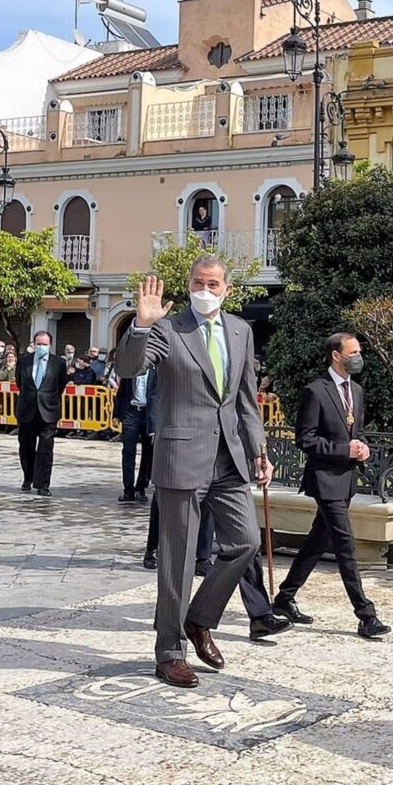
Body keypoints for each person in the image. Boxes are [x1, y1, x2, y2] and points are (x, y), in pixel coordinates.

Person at [115, 259, 273, 688]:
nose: (206, 289)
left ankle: (199, 619)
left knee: (245, 542)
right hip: (182, 455)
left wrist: (259, 448)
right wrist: (142, 326)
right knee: (179, 558)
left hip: (229, 456)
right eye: (199, 283)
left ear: (227, 288)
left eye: (213, 283)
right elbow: (129, 368)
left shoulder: (241, 331)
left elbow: (245, 400)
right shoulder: (169, 328)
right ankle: (168, 652)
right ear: (188, 285)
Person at [272, 333, 391, 641]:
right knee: (345, 544)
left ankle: (284, 599)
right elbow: (306, 439)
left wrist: (360, 448)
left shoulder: (357, 390)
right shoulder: (315, 391)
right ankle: (366, 615)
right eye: (353, 352)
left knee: (316, 542)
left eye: (359, 351)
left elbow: (357, 431)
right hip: (325, 480)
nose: (358, 356)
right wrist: (343, 450)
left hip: (346, 479)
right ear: (337, 356)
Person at [16, 330, 67, 497]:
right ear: (34, 344)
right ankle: (28, 477)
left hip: (48, 411)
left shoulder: (58, 363)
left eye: (45, 344)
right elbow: (19, 383)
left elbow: (60, 386)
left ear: (50, 345)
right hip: (27, 409)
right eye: (39, 344)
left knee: (46, 447)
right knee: (26, 446)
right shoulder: (24, 361)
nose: (42, 347)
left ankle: (43, 484)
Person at [114, 372, 152, 504]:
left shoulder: (156, 372)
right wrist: (117, 415)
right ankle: (128, 490)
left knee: (148, 453)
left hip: (149, 414)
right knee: (128, 452)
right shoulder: (130, 371)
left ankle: (141, 487)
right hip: (131, 412)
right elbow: (121, 392)